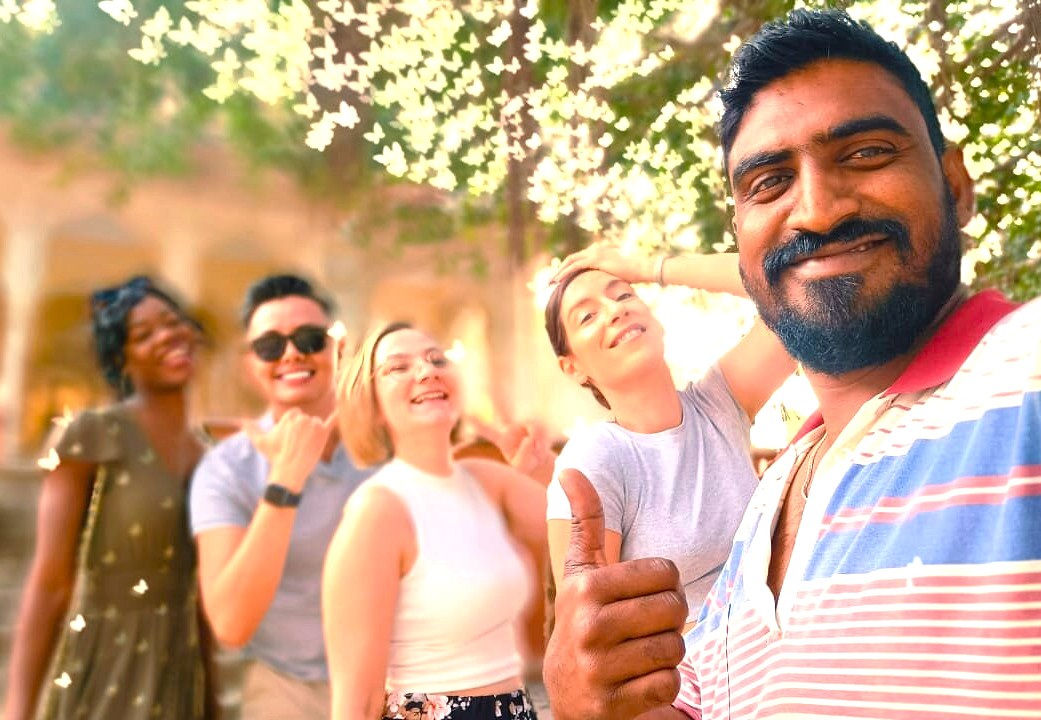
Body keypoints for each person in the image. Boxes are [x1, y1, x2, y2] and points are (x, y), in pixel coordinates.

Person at [543, 8, 1041, 719]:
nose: (813, 210)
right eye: (768, 182)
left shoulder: (1023, 376)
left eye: (865, 153)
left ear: (953, 185)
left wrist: (646, 263)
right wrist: (585, 700)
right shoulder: (772, 495)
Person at [543, 248, 793, 630]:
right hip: (689, 683)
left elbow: (795, 287)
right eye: (588, 316)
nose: (615, 311)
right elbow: (590, 631)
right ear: (572, 367)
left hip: (770, 667)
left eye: (624, 295)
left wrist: (649, 268)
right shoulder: (594, 459)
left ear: (655, 321)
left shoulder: (718, 403)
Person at [2, 275, 214, 720]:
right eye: (144, 334)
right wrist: (17, 708)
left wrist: (211, 699)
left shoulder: (208, 455)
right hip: (103, 665)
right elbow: (50, 581)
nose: (168, 336)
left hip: (181, 671)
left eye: (173, 322)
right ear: (122, 358)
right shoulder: (93, 433)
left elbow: (204, 601)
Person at [323, 323, 549, 720]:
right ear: (371, 405)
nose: (427, 371)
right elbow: (355, 702)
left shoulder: (487, 480)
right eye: (398, 367)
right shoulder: (376, 513)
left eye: (436, 359)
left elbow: (583, 523)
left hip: (515, 708)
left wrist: (540, 462)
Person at [189, 274, 373, 719]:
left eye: (309, 338)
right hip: (289, 688)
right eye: (271, 345)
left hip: (403, 677)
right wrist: (286, 480)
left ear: (339, 350)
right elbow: (231, 624)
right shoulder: (225, 469)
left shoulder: (388, 445)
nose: (291, 353)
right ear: (250, 364)